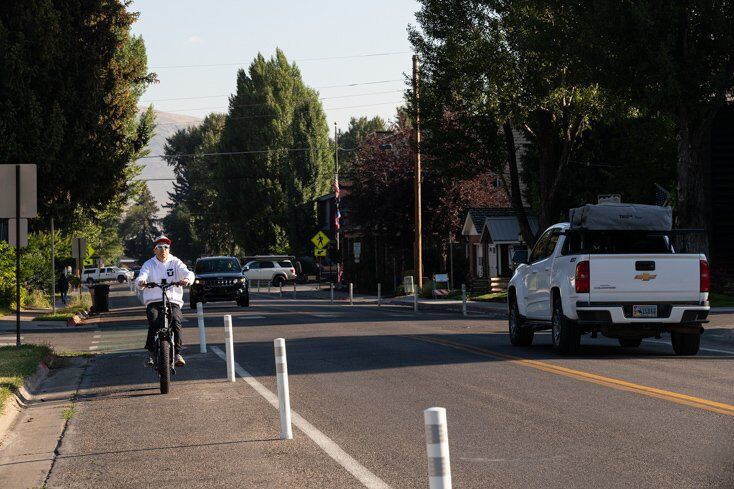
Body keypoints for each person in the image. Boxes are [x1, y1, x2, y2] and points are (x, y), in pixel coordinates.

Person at [137, 235, 195, 367]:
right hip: (153, 301)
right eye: (160, 247)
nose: (163, 250)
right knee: (154, 321)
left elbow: (188, 273)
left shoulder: (175, 262)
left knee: (176, 321)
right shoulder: (149, 264)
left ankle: (178, 354)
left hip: (172, 300)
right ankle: (151, 353)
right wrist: (142, 281)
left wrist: (186, 280)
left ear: (169, 249)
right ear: (154, 250)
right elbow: (142, 276)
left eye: (166, 247)